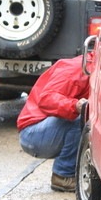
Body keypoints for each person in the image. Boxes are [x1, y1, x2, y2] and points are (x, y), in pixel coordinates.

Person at [17, 55, 89, 192]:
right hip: (32, 133)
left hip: (44, 130)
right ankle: (63, 175)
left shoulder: (94, 70)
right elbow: (46, 99)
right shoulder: (75, 69)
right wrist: (75, 106)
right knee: (81, 116)